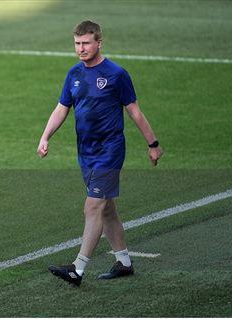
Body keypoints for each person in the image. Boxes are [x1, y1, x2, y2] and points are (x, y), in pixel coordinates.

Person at [37, 20, 163, 286]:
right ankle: (125, 262)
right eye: (77, 44)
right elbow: (62, 108)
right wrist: (46, 136)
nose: (81, 49)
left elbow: (134, 112)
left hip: (110, 150)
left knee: (93, 206)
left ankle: (77, 269)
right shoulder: (74, 74)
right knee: (107, 210)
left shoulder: (116, 74)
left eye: (86, 43)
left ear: (99, 43)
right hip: (86, 152)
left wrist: (153, 144)